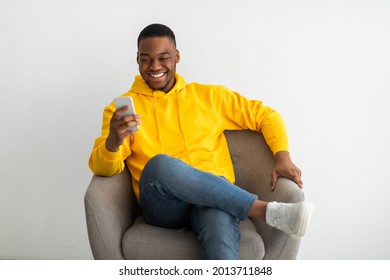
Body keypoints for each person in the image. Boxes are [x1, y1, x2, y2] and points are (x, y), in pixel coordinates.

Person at [89, 23, 313, 260]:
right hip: (163, 206)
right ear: (137, 59)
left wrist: (282, 156)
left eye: (163, 58)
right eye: (146, 59)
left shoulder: (210, 97)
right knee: (160, 164)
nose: (154, 66)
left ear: (176, 56)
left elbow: (266, 116)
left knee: (219, 223)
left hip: (214, 200)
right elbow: (103, 169)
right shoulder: (122, 109)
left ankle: (241, 207)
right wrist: (113, 142)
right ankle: (261, 209)